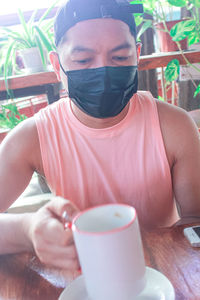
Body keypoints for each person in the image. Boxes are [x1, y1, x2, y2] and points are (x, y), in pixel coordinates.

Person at [0, 0, 200, 279]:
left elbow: (195, 222)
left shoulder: (175, 126)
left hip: (164, 276)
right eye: (83, 60)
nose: (104, 72)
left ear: (137, 56)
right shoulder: (32, 137)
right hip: (83, 279)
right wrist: (27, 230)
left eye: (119, 58)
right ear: (57, 65)